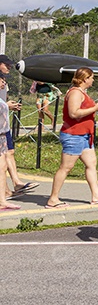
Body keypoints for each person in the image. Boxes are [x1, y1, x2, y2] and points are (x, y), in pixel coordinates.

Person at [45, 67, 98, 208]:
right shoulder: (75, 93)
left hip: (85, 136)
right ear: (85, 79)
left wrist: (95, 107)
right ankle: (53, 199)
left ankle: (96, 195)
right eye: (92, 77)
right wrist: (95, 108)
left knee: (91, 164)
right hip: (73, 135)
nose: (93, 80)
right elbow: (74, 113)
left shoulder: (82, 92)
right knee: (66, 167)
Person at [0, 54, 36, 198]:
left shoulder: (4, 82)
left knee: (9, 153)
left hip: (3, 124)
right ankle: (7, 191)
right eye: (5, 64)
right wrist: (6, 106)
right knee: (2, 160)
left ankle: (15, 184)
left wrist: (9, 106)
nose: (9, 67)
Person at [0, 95, 21, 210]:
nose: (3, 83)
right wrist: (7, 106)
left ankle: (2, 200)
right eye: (1, 80)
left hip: (2, 136)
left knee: (2, 168)